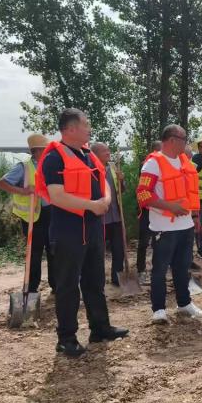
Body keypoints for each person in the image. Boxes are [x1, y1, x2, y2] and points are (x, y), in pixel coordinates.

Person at [37, 109, 128, 357]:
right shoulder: (54, 158)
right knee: (67, 286)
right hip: (69, 231)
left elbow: (104, 181)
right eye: (85, 124)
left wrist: (105, 201)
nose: (89, 129)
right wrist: (91, 205)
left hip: (94, 228)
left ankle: (100, 328)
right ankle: (66, 338)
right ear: (70, 129)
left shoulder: (88, 154)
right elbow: (56, 196)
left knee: (95, 281)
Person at [137, 124, 202, 324]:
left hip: (186, 226)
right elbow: (143, 195)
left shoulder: (185, 162)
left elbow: (191, 193)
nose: (186, 143)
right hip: (164, 228)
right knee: (159, 270)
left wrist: (194, 217)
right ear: (172, 140)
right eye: (184, 139)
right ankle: (158, 309)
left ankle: (184, 303)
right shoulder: (153, 164)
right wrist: (170, 207)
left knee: (182, 268)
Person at [0, 133, 55, 294]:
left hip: (51, 214)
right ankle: (31, 290)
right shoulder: (24, 167)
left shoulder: (50, 166)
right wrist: (24, 191)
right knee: (34, 254)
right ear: (37, 151)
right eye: (46, 150)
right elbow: (2, 183)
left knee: (54, 251)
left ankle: (56, 285)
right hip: (33, 218)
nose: (49, 153)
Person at [90, 142, 126, 287]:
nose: (108, 153)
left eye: (108, 150)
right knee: (98, 251)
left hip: (116, 216)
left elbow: (121, 190)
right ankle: (97, 280)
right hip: (99, 218)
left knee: (119, 249)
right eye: (104, 151)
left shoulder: (112, 167)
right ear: (95, 154)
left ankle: (117, 277)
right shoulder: (90, 169)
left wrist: (121, 181)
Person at [136, 141, 161, 285]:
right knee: (144, 242)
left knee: (159, 241)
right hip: (147, 210)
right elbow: (143, 191)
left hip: (160, 210)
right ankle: (141, 270)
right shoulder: (148, 165)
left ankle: (157, 269)